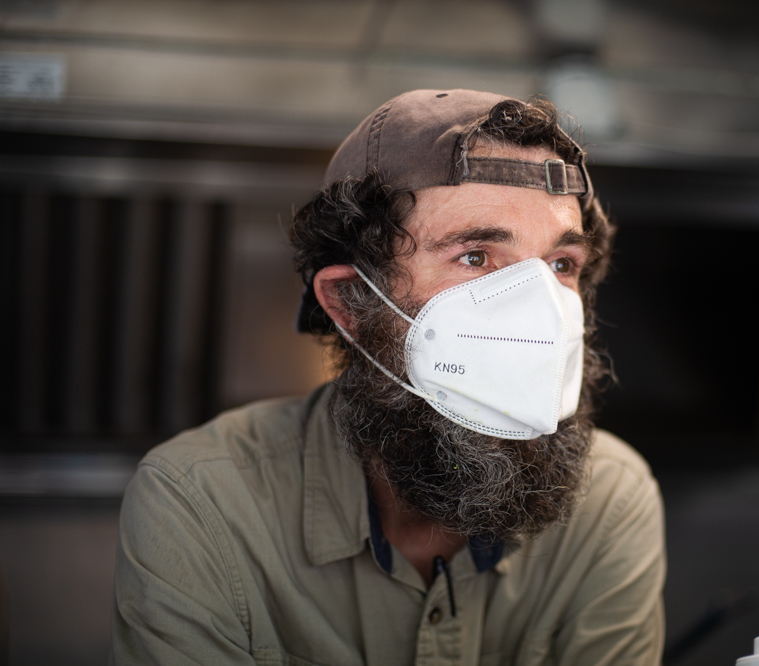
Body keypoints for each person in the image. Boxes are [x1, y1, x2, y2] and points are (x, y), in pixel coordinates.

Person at [109, 89, 666, 665]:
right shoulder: (203, 503)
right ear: (350, 301)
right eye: (475, 257)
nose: (539, 311)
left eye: (560, 264)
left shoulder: (609, 501)